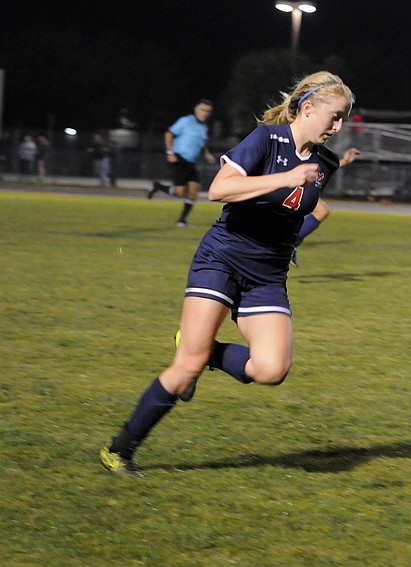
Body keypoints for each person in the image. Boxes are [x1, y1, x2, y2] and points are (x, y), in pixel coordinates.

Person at [100, 71, 355, 476]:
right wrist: (287, 176)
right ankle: (121, 449)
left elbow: (296, 212)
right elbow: (219, 189)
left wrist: (290, 246)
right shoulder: (267, 139)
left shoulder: (326, 163)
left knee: (272, 369)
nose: (339, 127)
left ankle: (207, 352)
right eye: (335, 117)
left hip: (267, 275)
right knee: (185, 369)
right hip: (222, 258)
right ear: (308, 109)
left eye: (343, 119)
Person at [147, 99, 216, 227]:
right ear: (196, 109)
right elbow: (168, 134)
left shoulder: (204, 127)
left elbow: (201, 144)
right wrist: (170, 153)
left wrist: (206, 154)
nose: (205, 113)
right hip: (178, 158)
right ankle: (157, 186)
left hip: (190, 162)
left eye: (208, 111)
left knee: (193, 191)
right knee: (180, 192)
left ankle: (182, 221)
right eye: (202, 110)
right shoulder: (186, 120)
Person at [290, 147, 360, 266]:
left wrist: (345, 160)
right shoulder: (297, 143)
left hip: (299, 188)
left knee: (321, 211)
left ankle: (291, 245)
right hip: (286, 186)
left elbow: (330, 165)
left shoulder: (320, 152)